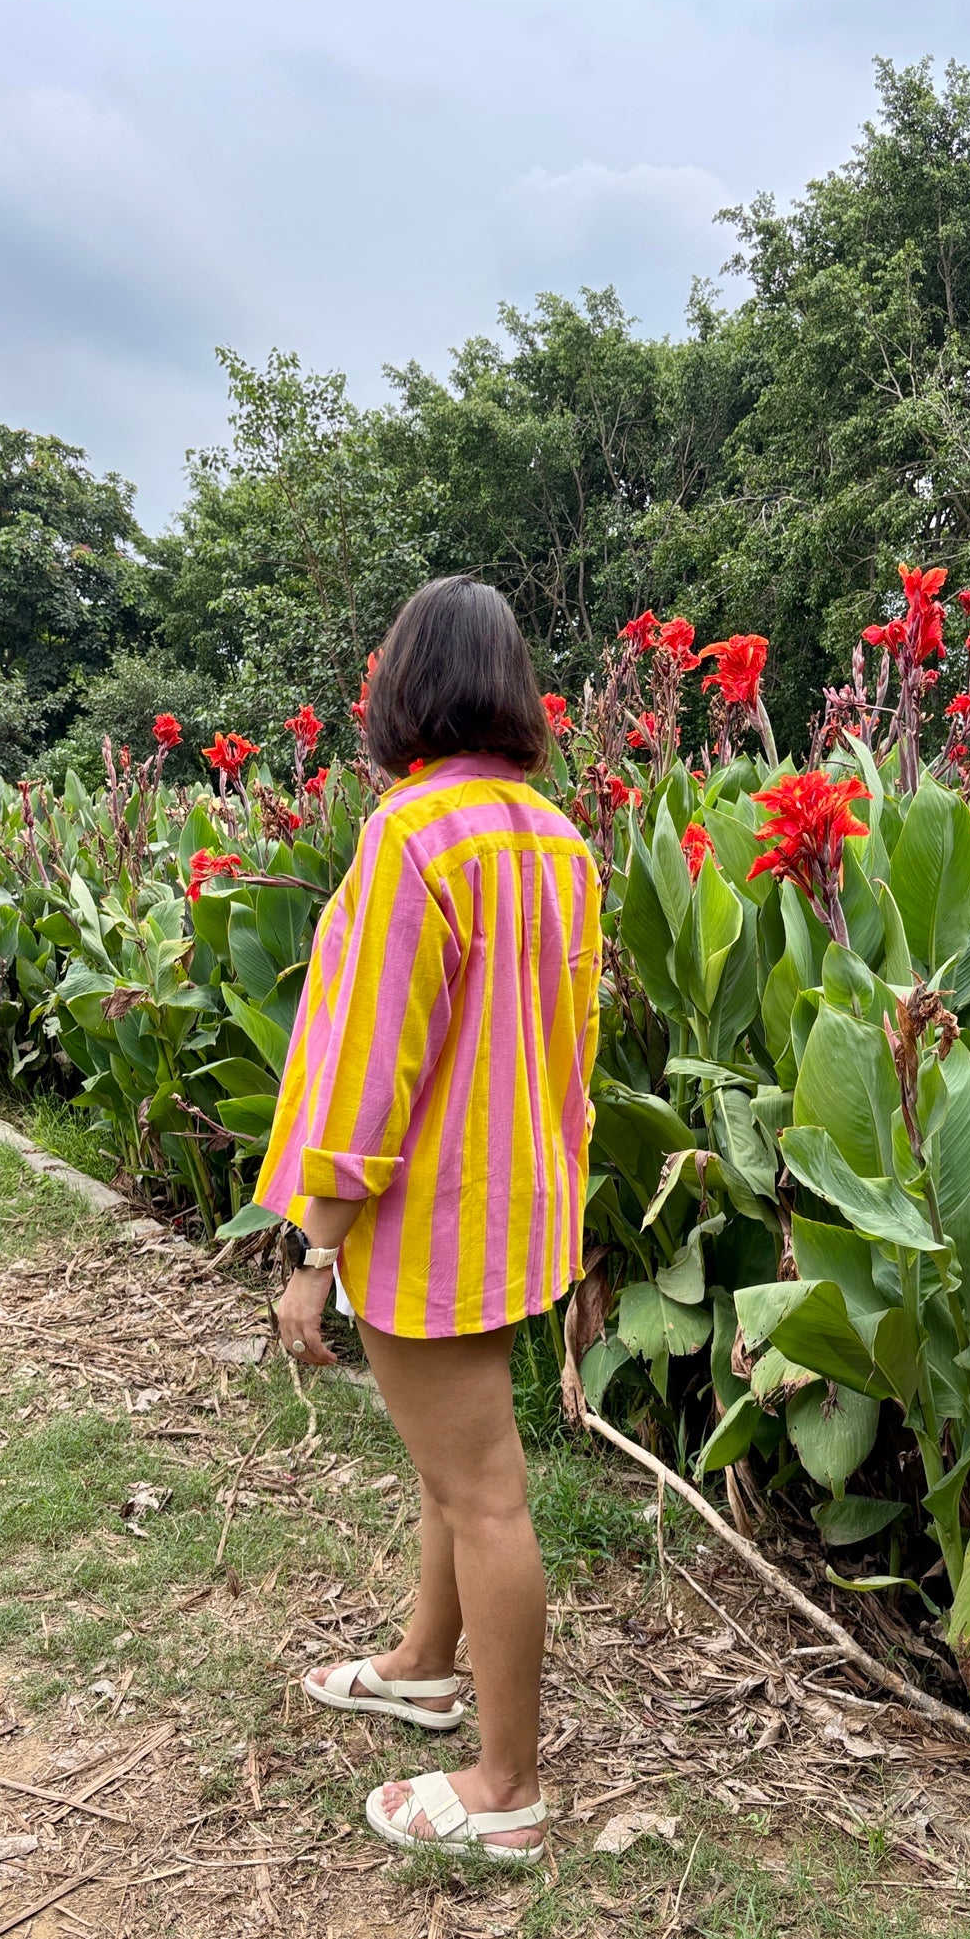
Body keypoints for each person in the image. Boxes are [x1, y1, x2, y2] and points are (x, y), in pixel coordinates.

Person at [254, 576, 602, 1862]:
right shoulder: (554, 839)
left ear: (408, 683)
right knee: (457, 1473)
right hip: (516, 1211)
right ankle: (421, 1663)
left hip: (427, 1218)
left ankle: (505, 1787)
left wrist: (313, 1247)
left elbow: (366, 1067)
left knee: (486, 1492)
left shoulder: (415, 834)